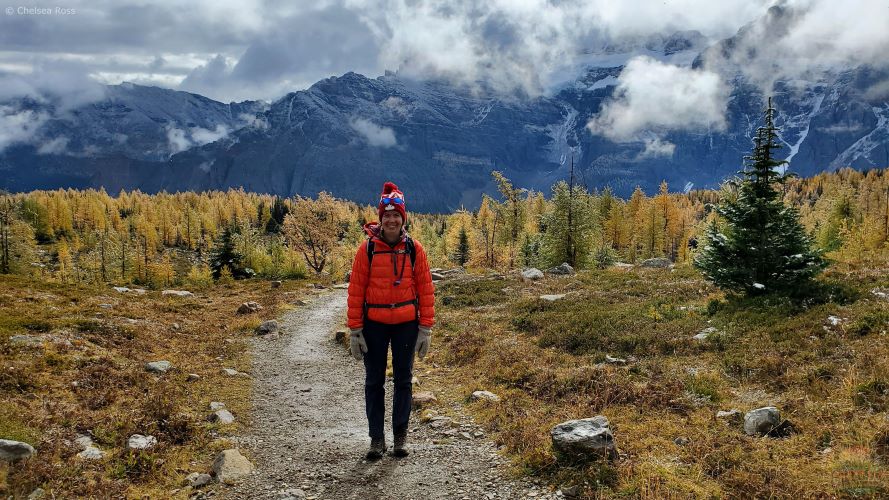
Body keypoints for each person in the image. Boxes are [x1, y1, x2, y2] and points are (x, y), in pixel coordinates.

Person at [346, 181, 435, 460]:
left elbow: (426, 288)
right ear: (381, 219)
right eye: (387, 216)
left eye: (397, 215)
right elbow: (356, 290)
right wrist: (355, 330)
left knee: (404, 380)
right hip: (374, 324)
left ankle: (400, 437)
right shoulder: (367, 250)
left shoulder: (414, 249)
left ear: (403, 218)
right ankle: (376, 439)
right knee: (374, 381)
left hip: (406, 324)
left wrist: (426, 328)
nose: (392, 220)